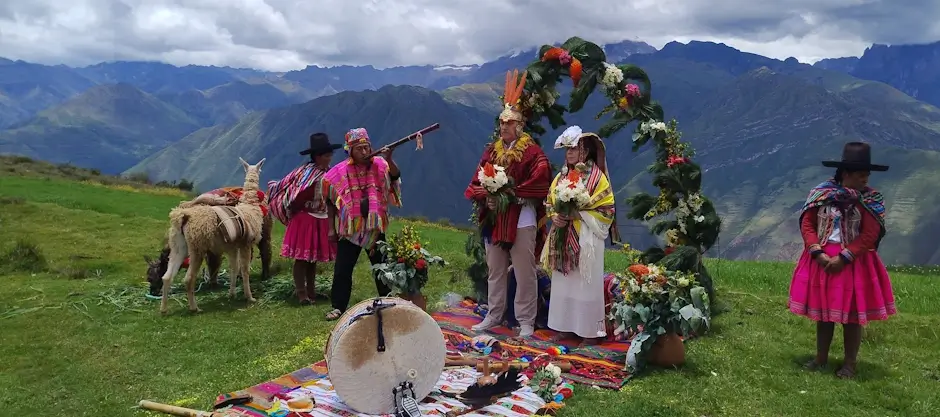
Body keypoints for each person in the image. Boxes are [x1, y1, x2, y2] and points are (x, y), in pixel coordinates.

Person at [789, 141, 896, 379]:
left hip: (854, 263)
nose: (865, 181)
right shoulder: (821, 195)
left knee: (851, 316)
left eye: (867, 176)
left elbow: (870, 234)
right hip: (821, 260)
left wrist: (845, 257)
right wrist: (817, 252)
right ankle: (821, 357)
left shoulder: (870, 200)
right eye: (860, 175)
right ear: (845, 174)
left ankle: (849, 363)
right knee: (824, 313)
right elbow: (808, 223)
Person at [465, 70, 552, 337]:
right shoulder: (491, 150)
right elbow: (476, 182)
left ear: (520, 126)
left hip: (522, 220)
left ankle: (526, 319)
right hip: (495, 220)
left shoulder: (532, 151)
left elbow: (542, 178)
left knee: (525, 272)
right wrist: (488, 197)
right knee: (495, 270)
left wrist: (513, 193)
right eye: (502, 123)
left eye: (509, 123)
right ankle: (494, 314)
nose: (504, 127)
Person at [541, 126, 618, 346]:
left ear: (584, 150)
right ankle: (565, 327)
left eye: (574, 149)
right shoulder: (562, 175)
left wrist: (579, 213)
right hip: (564, 236)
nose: (569, 154)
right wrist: (555, 216)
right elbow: (550, 202)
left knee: (586, 284)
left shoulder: (597, 178)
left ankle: (589, 332)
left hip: (586, 238)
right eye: (567, 150)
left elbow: (607, 209)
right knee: (565, 283)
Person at [322, 127, 406, 320]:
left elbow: (394, 177)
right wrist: (331, 229)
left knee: (382, 266)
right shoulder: (339, 171)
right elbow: (329, 200)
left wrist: (390, 157)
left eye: (366, 147)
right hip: (350, 229)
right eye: (359, 149)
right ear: (349, 150)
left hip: (374, 228)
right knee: (343, 269)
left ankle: (387, 300)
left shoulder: (380, 164)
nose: (364, 152)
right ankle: (338, 306)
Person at [268, 133, 342, 305]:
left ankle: (311, 291)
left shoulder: (329, 173)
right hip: (305, 219)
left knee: (313, 258)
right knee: (302, 259)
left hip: (321, 218)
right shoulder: (305, 173)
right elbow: (294, 193)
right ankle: (301, 293)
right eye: (326, 155)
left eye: (330, 154)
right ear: (317, 156)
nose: (329, 158)